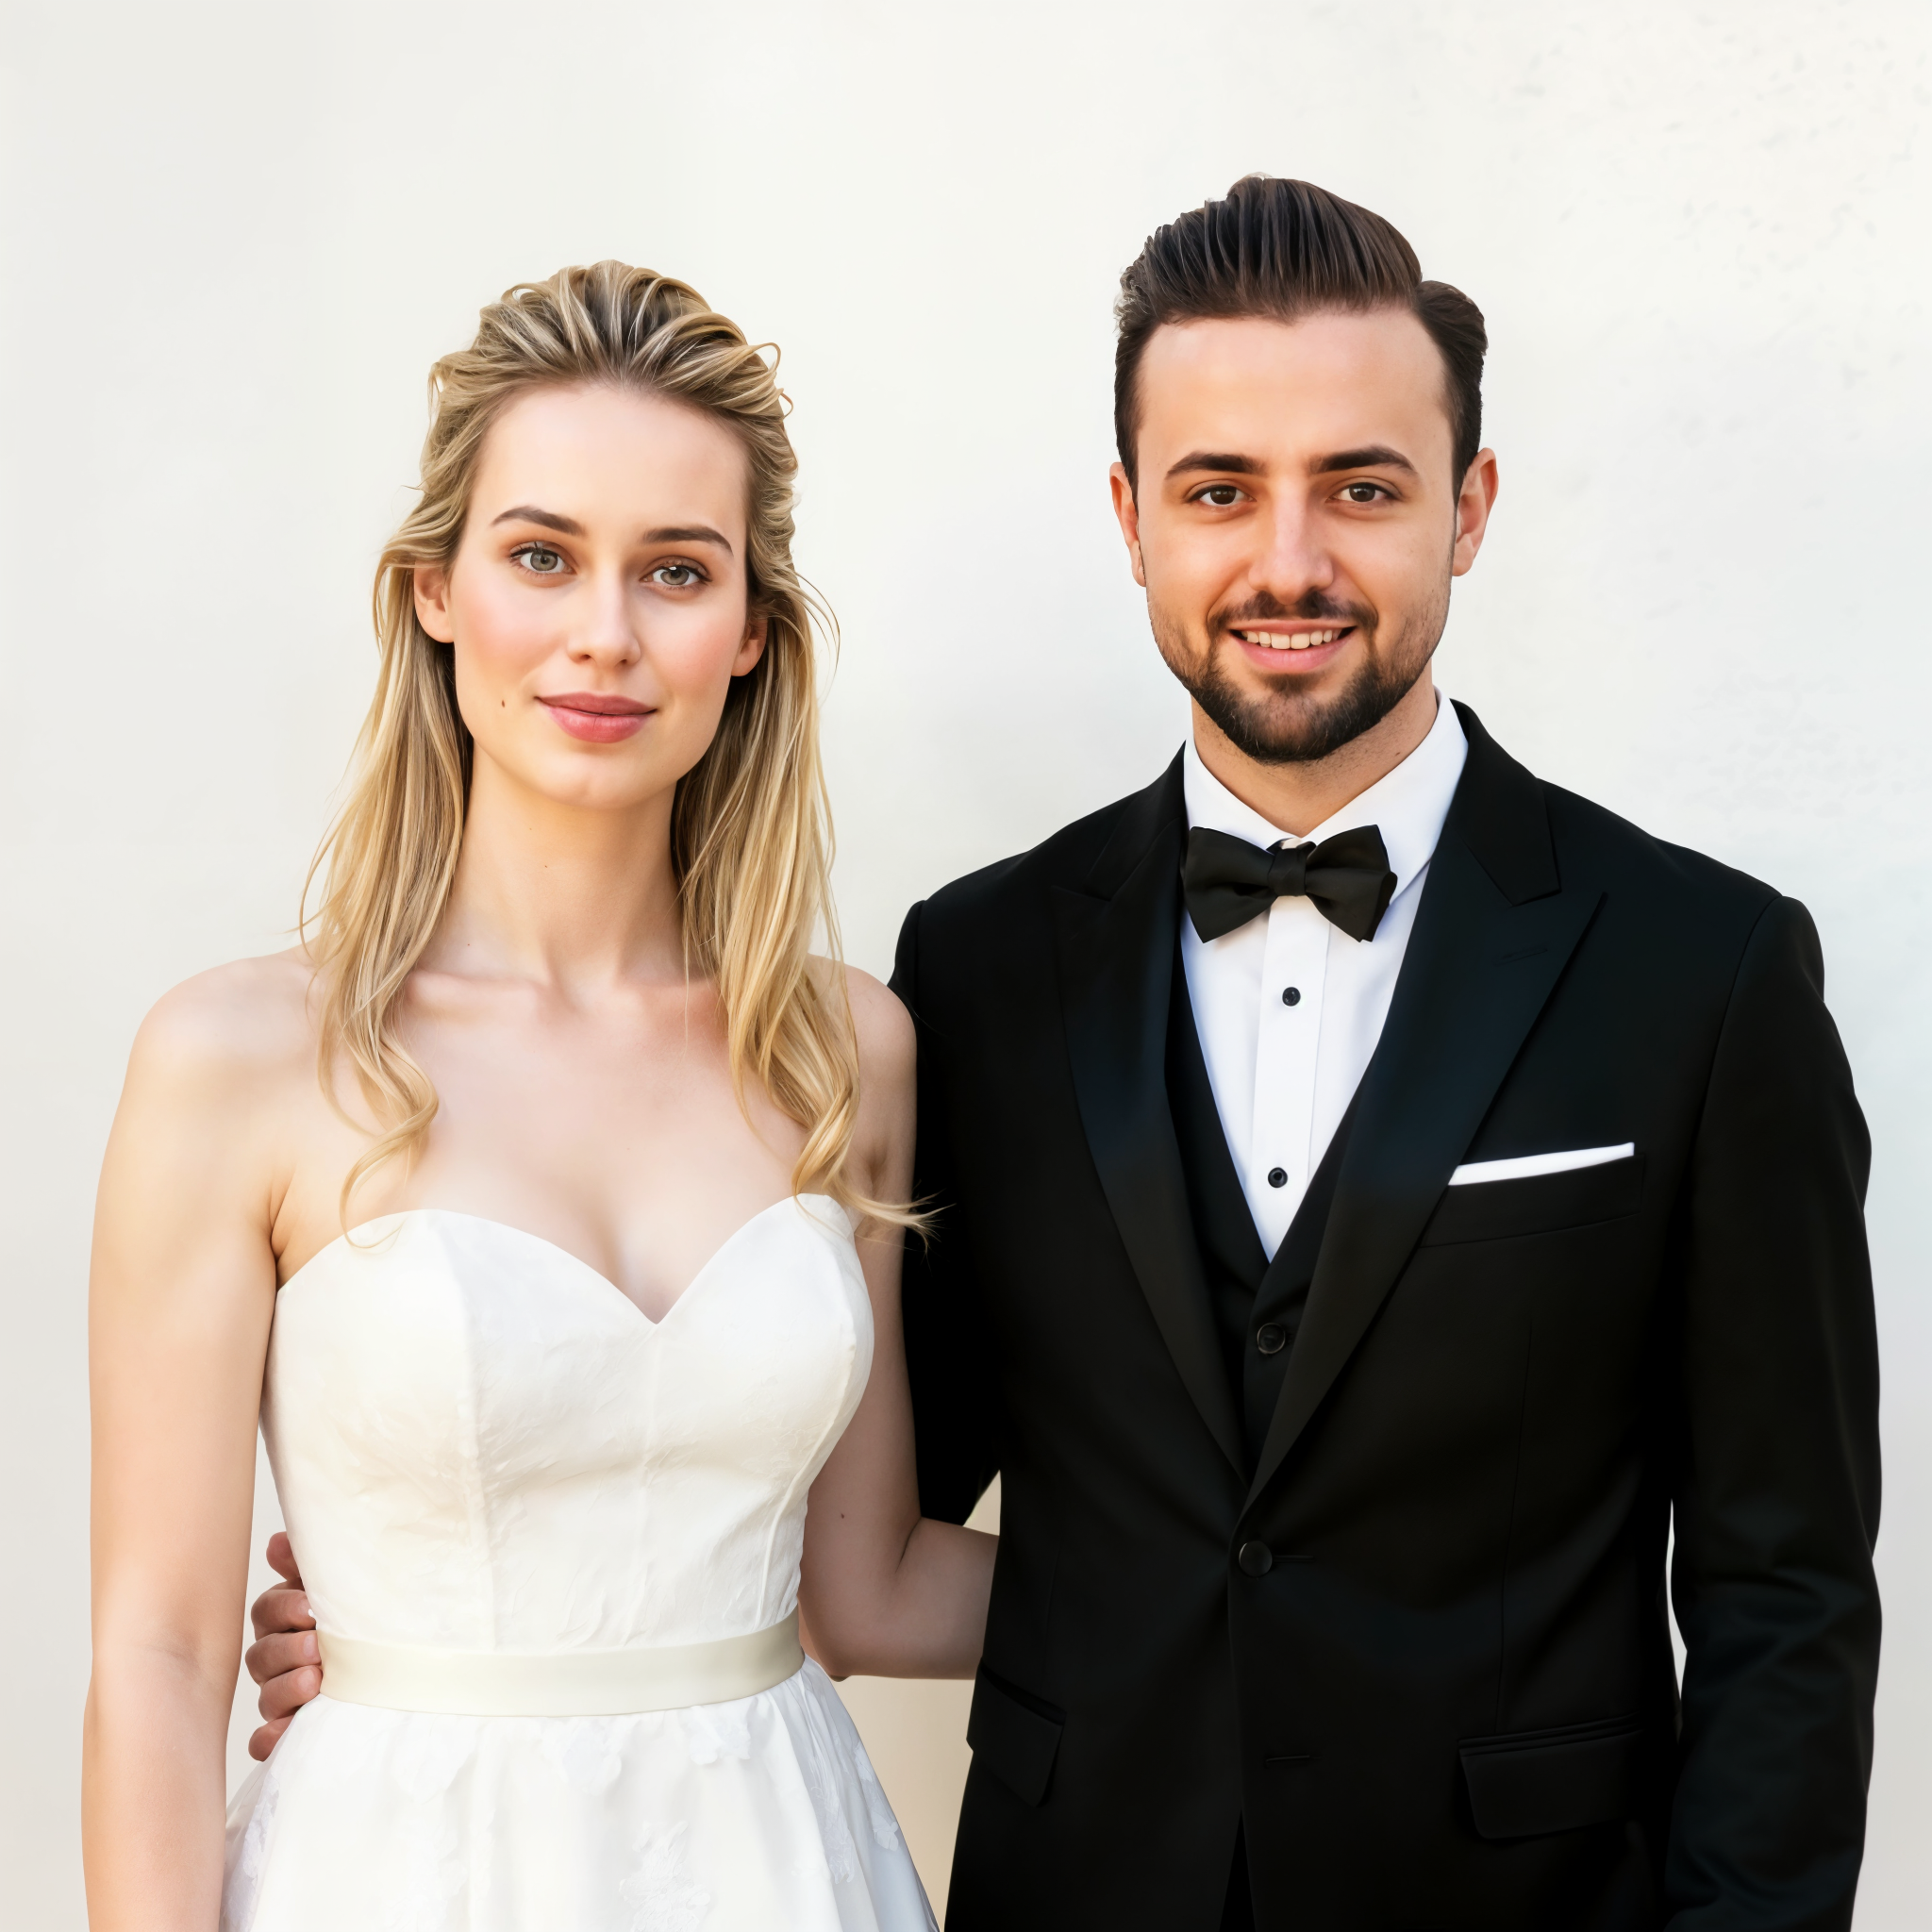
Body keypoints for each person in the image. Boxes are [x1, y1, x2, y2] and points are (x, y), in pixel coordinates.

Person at [251, 179, 1883, 1930]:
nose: (1287, 561)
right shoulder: (975, 970)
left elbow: (1783, 1587)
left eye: (1364, 486)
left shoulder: (1704, 972)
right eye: (1216, 492)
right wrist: (463, 1604)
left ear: (1469, 507)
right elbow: (828, 1502)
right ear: (1129, 516)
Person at [83, 262, 993, 1932]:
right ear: (436, 590)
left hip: (786, 1867)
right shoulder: (237, 1063)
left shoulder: (843, 1052)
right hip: (397, 1877)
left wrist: (1304, 1589)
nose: (605, 632)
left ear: (749, 635)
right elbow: (159, 1646)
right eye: (541, 554)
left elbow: (868, 1587)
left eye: (675, 571)